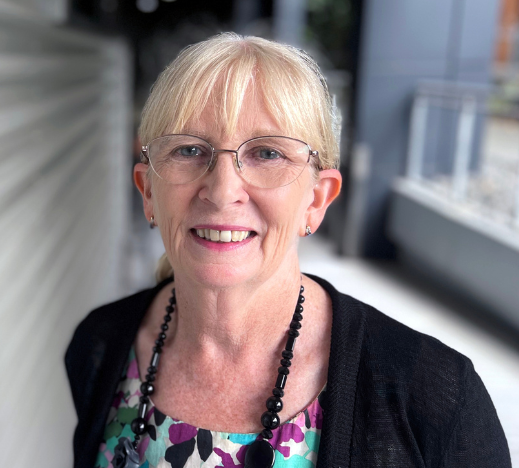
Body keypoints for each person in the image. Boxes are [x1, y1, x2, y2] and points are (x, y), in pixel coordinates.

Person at [65, 33, 510, 468]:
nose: (222, 192)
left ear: (316, 199)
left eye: (266, 153)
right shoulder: (100, 347)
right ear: (147, 192)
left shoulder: (435, 399)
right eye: (189, 149)